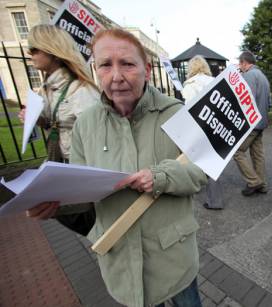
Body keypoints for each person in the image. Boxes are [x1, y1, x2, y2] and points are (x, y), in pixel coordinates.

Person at [25, 28, 207, 307]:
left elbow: (201, 173)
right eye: (105, 65)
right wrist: (55, 203)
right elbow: (80, 189)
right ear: (96, 69)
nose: (117, 76)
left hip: (173, 256)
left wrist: (159, 177)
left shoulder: (177, 114)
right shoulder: (86, 123)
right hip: (120, 258)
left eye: (127, 64)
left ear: (146, 68)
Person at [19, 25, 99, 162]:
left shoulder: (82, 90)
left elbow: (97, 138)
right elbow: (53, 126)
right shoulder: (47, 87)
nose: (29, 54)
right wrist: (37, 119)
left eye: (34, 49)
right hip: (59, 160)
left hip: (80, 164)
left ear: (54, 52)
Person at [182, 55, 224, 210]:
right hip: (216, 127)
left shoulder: (190, 85)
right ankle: (215, 199)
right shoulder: (214, 82)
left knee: (196, 160)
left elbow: (189, 110)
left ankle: (202, 192)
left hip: (199, 129)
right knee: (213, 163)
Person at [234, 51, 271, 196]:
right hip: (261, 122)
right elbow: (268, 103)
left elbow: (246, 101)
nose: (239, 67)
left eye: (240, 63)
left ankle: (254, 181)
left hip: (251, 123)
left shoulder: (248, 76)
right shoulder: (263, 76)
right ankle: (262, 184)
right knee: (257, 154)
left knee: (237, 152)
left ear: (244, 62)